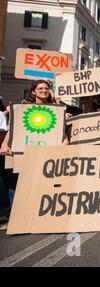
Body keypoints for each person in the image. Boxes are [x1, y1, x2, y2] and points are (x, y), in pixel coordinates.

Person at [0, 80, 60, 231]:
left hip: (47, 153)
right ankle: (15, 221)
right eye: (40, 88)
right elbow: (14, 128)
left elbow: (62, 133)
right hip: (24, 151)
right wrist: (5, 144)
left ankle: (41, 219)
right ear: (33, 91)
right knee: (17, 185)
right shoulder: (23, 107)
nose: (44, 90)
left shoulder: (57, 110)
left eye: (47, 88)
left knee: (44, 186)